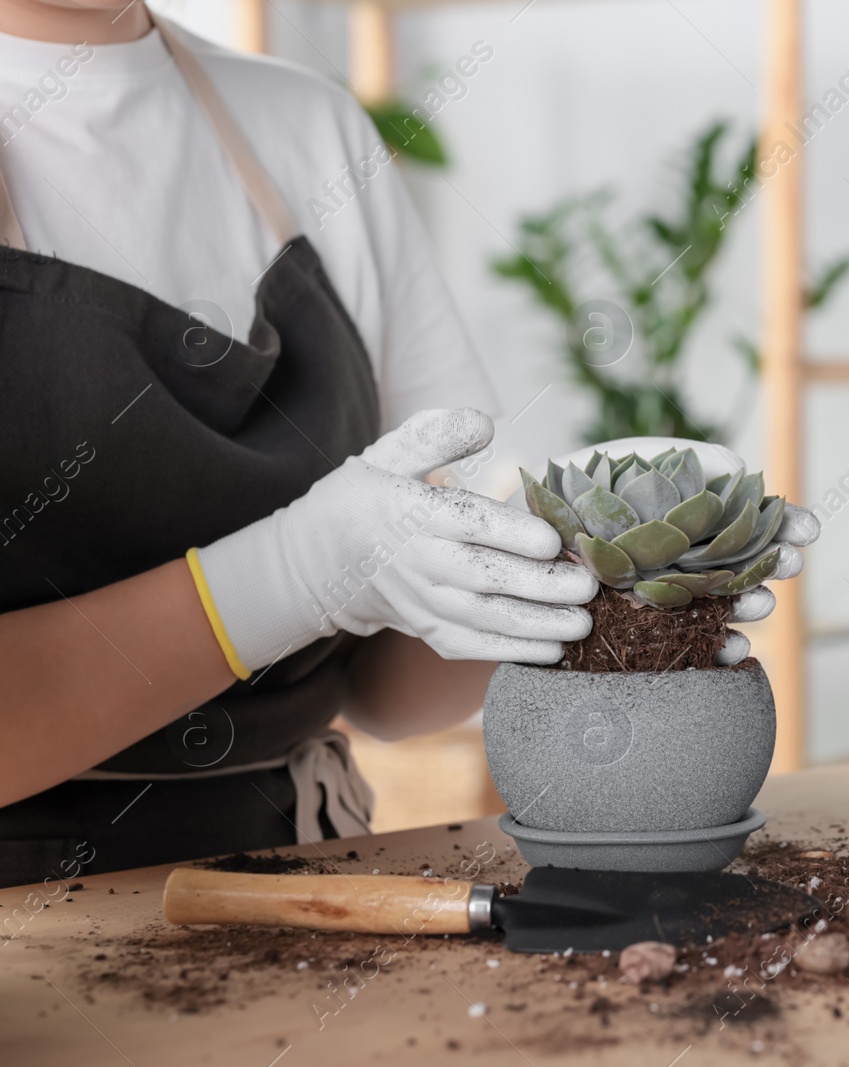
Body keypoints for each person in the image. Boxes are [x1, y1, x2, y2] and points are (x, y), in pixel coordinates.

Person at [0, 0, 807, 888]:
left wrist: (589, 574)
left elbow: (389, 690)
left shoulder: (307, 130)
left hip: (295, 876)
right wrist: (290, 576)